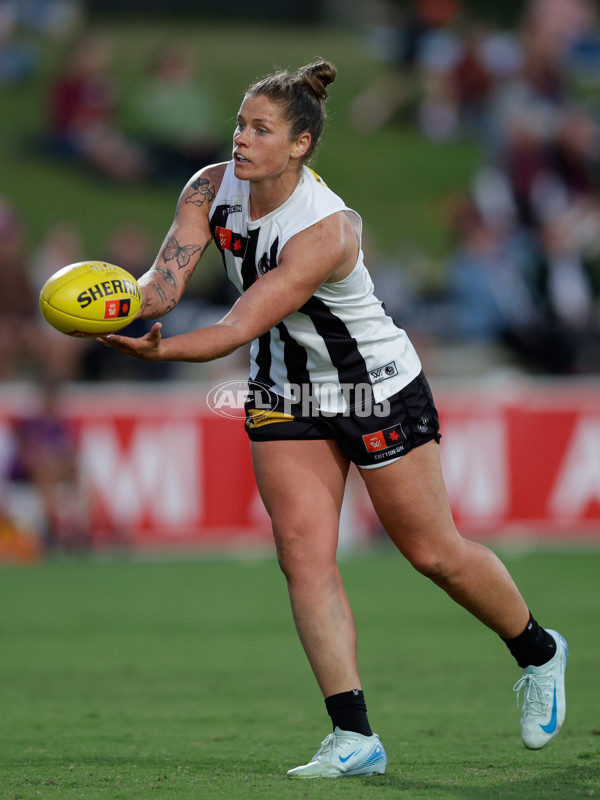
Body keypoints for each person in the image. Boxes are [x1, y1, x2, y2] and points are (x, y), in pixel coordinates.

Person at [100, 60, 568, 778]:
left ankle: (539, 650)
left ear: (300, 146)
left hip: (374, 388)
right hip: (284, 392)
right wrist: (114, 304)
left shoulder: (326, 229)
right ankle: (354, 736)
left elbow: (234, 325)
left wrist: (160, 355)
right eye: (239, 123)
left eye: (261, 129)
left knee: (433, 553)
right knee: (303, 556)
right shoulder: (207, 186)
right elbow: (164, 282)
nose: (241, 139)